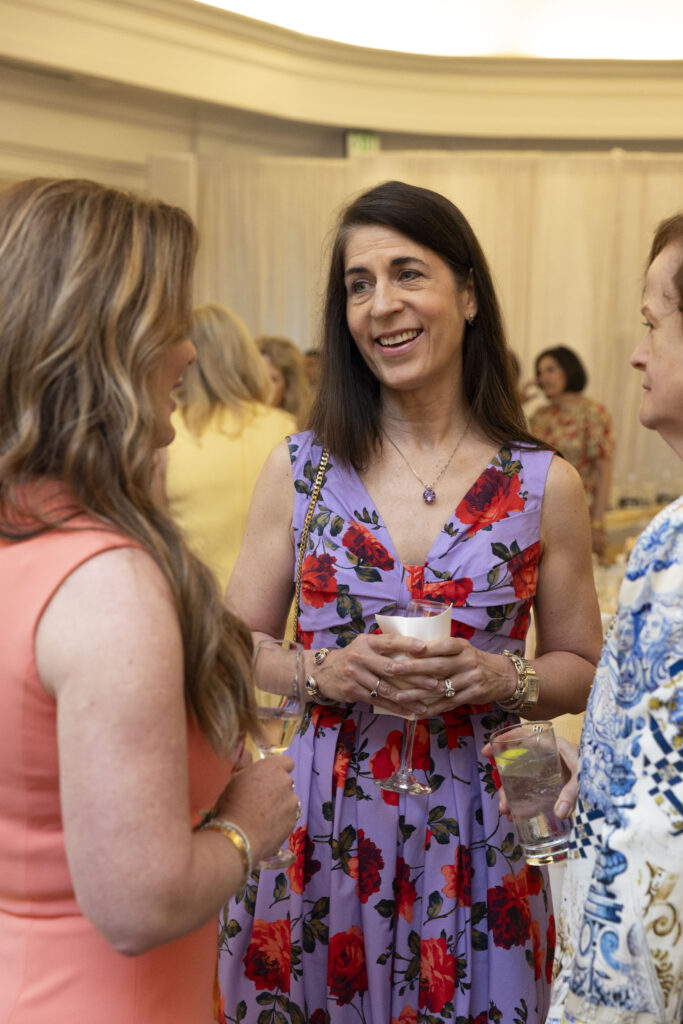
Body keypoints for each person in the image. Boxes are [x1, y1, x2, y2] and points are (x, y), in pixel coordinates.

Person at [217, 179, 603, 1023]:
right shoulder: (300, 469)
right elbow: (229, 651)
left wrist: (502, 678)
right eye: (358, 284)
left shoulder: (545, 483)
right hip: (320, 820)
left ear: (468, 295)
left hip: (488, 820)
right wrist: (322, 671)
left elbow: (580, 666)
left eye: (407, 273)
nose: (381, 304)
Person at [0, 178, 299, 1024]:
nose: (188, 353)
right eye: (170, 324)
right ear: (107, 345)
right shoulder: (105, 582)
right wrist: (246, 826)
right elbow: (140, 904)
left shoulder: (30, 535)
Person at [544, 212, 683, 1024]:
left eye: (651, 324)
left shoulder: (671, 543)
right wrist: (595, 765)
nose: (636, 352)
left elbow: (656, 829)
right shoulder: (669, 536)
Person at [162, 303, 296, 589]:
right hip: (275, 609)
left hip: (197, 605)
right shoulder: (284, 428)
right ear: (243, 355)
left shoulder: (165, 434)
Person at [529, 345, 614, 557]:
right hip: (540, 511)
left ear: (568, 369)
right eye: (540, 372)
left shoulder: (592, 412)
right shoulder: (539, 416)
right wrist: (517, 399)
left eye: (550, 369)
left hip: (579, 509)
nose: (544, 377)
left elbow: (603, 470)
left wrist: (598, 522)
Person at [257, 332, 309, 427]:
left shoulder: (295, 429)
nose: (261, 386)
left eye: (272, 380)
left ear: (288, 388)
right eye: (256, 377)